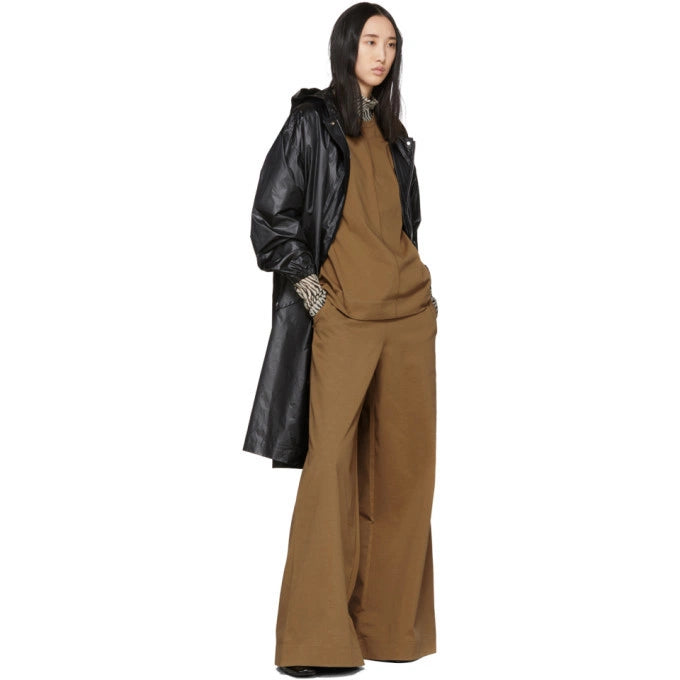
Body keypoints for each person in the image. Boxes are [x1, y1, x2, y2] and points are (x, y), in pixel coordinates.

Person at [243, 3, 438, 676]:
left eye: (392, 44)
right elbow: (271, 221)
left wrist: (422, 296)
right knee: (329, 470)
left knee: (406, 473)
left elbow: (405, 226)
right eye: (371, 41)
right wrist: (315, 296)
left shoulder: (396, 135)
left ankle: (387, 631)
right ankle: (315, 643)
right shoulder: (312, 122)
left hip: (410, 319)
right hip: (344, 318)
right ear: (346, 46)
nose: (381, 54)